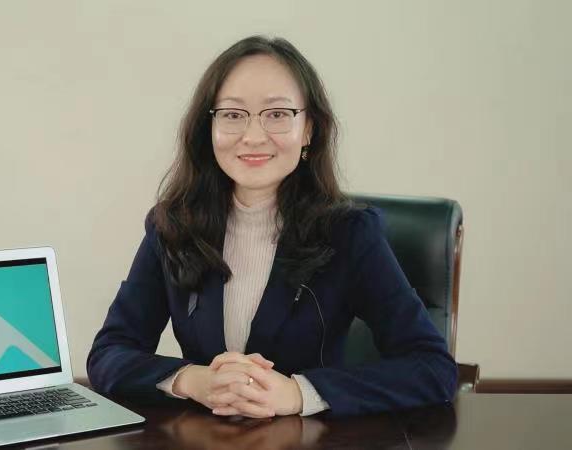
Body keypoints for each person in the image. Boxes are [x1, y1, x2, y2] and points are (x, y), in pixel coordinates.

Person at [87, 35, 457, 418]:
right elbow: (109, 354)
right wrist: (191, 380)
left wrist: (299, 393)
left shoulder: (349, 233)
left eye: (277, 114)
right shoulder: (173, 225)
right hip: (207, 436)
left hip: (312, 439)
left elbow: (433, 368)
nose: (253, 136)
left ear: (309, 129)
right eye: (233, 114)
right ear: (208, 128)